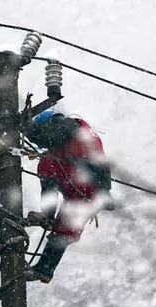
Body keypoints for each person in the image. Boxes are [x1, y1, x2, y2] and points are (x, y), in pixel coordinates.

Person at [22, 109, 115, 283]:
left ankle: (47, 215)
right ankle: (44, 270)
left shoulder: (68, 125)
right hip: (87, 192)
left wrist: (29, 131)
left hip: (82, 181)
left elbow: (54, 137)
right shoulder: (79, 136)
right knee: (63, 232)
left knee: (47, 164)